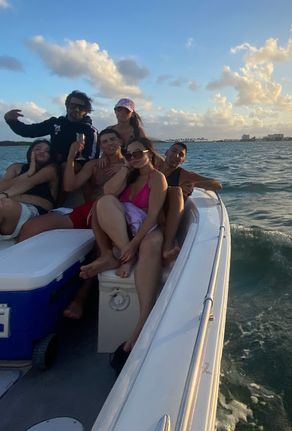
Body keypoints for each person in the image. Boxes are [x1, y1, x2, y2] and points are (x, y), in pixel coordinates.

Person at [16, 128, 126, 319]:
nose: (108, 144)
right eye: (104, 142)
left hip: (112, 212)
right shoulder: (94, 165)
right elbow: (69, 186)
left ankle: (79, 299)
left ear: (121, 142)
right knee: (32, 226)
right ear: (99, 146)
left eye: (112, 140)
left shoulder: (131, 163)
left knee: (99, 249)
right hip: (87, 210)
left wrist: (125, 167)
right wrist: (71, 156)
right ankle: (20, 282)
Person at [80, 137, 167, 362]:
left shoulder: (157, 178)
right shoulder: (130, 177)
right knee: (103, 202)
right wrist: (126, 168)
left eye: (138, 153)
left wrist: (135, 242)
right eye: (129, 155)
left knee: (151, 244)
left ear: (150, 153)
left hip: (148, 227)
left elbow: (154, 215)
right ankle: (117, 257)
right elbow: (108, 192)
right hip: (126, 231)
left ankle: (142, 324)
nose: (133, 158)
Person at [157, 142, 222, 262]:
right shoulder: (154, 167)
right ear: (167, 153)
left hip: (163, 215)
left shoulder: (183, 174)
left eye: (181, 155)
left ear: (182, 160)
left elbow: (216, 184)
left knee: (176, 191)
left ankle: (167, 246)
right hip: (147, 209)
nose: (176, 155)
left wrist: (194, 184)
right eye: (174, 151)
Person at [4, 90, 98, 163]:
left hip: (75, 167)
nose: (77, 109)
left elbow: (92, 158)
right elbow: (29, 131)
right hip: (52, 165)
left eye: (81, 107)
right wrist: (12, 121)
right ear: (67, 106)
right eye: (73, 106)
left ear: (86, 111)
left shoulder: (89, 130)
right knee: (15, 168)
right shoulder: (55, 124)